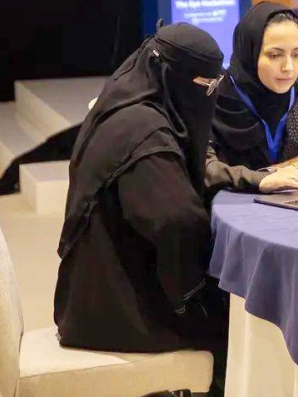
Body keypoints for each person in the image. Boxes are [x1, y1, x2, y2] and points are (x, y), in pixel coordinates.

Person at [55, 24, 228, 365]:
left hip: (87, 293)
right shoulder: (147, 136)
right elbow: (178, 223)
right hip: (118, 315)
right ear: (172, 76)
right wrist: (195, 300)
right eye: (207, 86)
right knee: (242, 324)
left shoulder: (122, 97)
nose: (212, 95)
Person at [207, 1, 298, 193]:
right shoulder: (214, 96)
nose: (289, 68)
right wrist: (259, 179)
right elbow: (204, 166)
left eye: (297, 54)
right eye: (275, 55)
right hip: (233, 205)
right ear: (249, 53)